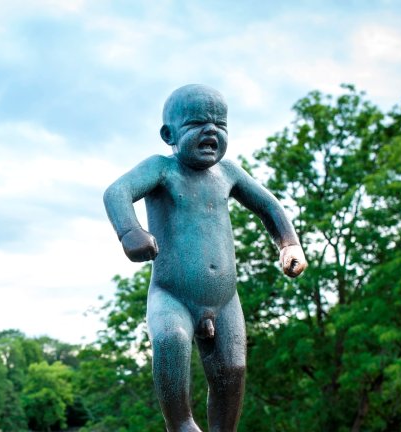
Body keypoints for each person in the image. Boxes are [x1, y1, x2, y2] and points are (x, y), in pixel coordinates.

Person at [103, 84, 308, 432]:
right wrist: (130, 232)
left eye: (220, 124)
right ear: (169, 134)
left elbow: (268, 206)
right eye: (197, 123)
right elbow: (117, 192)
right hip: (172, 296)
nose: (211, 130)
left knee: (233, 370)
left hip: (226, 300)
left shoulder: (228, 173)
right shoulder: (162, 169)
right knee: (171, 340)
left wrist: (288, 244)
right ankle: (181, 423)